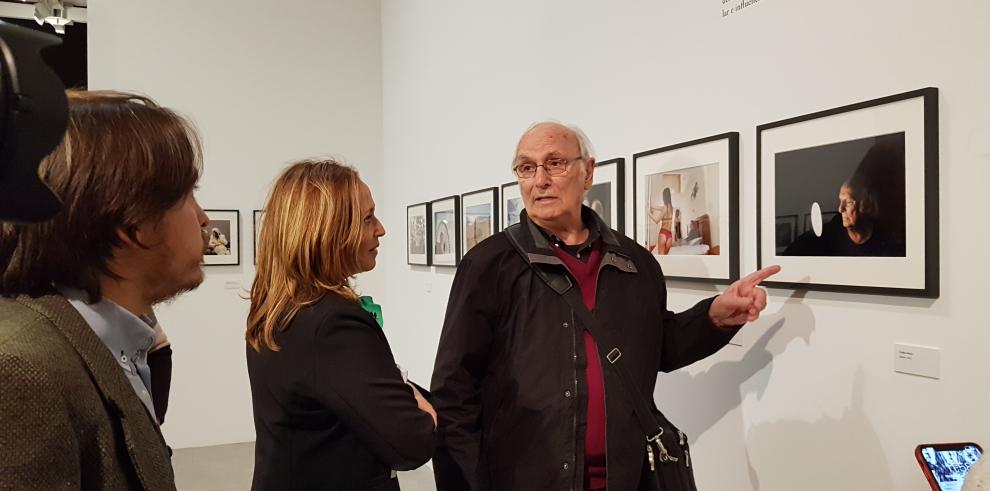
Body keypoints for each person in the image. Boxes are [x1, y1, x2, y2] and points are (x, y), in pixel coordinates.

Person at [430, 121, 779, 491]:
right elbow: (455, 393)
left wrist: (714, 318)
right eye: (527, 168)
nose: (540, 180)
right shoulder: (489, 265)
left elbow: (656, 349)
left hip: (625, 478)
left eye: (555, 163)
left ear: (588, 172)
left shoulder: (635, 263)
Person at [0, 90, 209, 489]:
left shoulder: (107, 344)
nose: (202, 218)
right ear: (134, 224)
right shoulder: (20, 369)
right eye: (186, 195)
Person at [246, 159, 436, 491]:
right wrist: (424, 410)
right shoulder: (333, 323)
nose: (381, 229)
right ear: (328, 231)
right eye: (367, 218)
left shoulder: (279, 308)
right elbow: (413, 442)